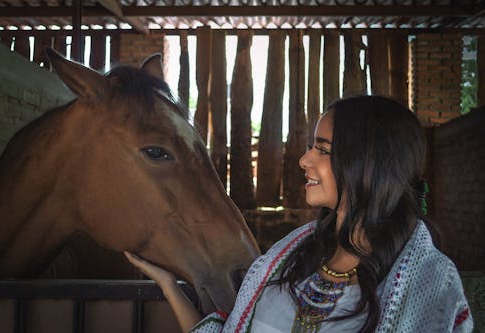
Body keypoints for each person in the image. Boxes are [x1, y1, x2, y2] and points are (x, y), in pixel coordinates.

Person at [125, 95, 473, 332]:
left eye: (321, 149)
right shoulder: (287, 260)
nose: (304, 160)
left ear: (367, 163)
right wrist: (168, 284)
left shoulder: (429, 282)